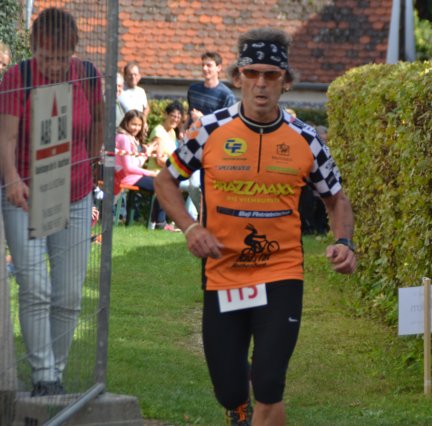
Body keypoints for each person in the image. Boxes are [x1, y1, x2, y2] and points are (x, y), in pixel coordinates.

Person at [155, 27, 356, 425]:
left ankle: (260, 402)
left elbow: (336, 198)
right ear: (237, 77)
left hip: (281, 274)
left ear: (285, 81)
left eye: (271, 75)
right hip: (224, 274)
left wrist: (344, 242)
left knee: (268, 383)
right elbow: (165, 181)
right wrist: (191, 228)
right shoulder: (208, 129)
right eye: (252, 73)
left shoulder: (307, 139)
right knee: (230, 389)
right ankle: (238, 407)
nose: (261, 84)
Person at [0, 7, 104, 396]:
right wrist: (12, 179)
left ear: (73, 51)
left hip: (74, 193)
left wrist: (90, 164)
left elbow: (97, 121)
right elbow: (6, 137)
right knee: (35, 286)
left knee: (69, 294)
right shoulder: (18, 77)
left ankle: (56, 373)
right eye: (47, 57)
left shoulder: (88, 75)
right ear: (33, 48)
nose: (55, 66)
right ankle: (43, 375)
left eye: (62, 58)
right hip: (24, 195)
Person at [182, 51, 237, 219]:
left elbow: (228, 126)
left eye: (209, 65)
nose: (205, 69)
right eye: (203, 65)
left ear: (218, 68)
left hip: (215, 148)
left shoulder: (226, 95)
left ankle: (211, 217)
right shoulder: (193, 90)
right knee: (193, 185)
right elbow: (189, 116)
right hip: (194, 145)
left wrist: (203, 119)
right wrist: (183, 130)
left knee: (210, 187)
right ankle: (204, 215)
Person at [114, 110, 177, 231]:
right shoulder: (124, 138)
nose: (137, 128)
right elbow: (129, 168)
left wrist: (146, 153)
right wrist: (152, 172)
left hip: (129, 176)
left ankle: (157, 222)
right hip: (125, 177)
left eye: (139, 125)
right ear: (126, 123)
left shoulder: (128, 138)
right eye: (134, 124)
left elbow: (134, 164)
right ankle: (159, 223)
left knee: (164, 184)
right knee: (164, 185)